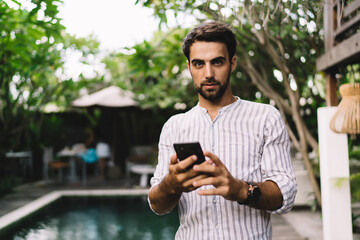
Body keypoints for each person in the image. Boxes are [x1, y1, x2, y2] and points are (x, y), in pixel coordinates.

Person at [148, 21, 297, 239]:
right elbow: (157, 205)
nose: (208, 73)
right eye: (199, 64)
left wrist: (241, 190)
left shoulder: (266, 118)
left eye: (217, 62)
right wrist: (170, 184)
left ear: (232, 63)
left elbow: (285, 194)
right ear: (189, 66)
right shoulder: (174, 126)